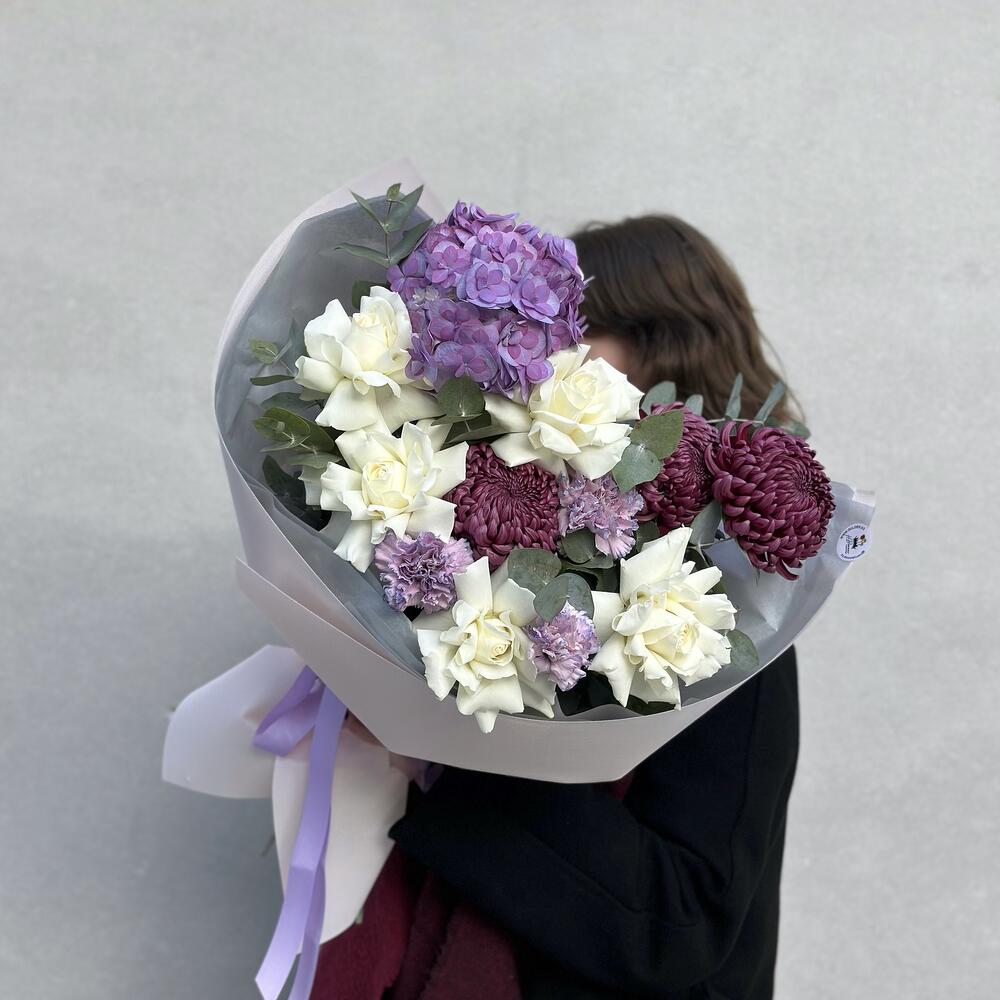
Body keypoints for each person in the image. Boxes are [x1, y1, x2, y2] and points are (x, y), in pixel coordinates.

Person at [312, 215, 801, 1000]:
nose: (542, 363)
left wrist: (442, 748)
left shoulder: (715, 613)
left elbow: (683, 921)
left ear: (661, 348)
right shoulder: (507, 547)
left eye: (575, 334)